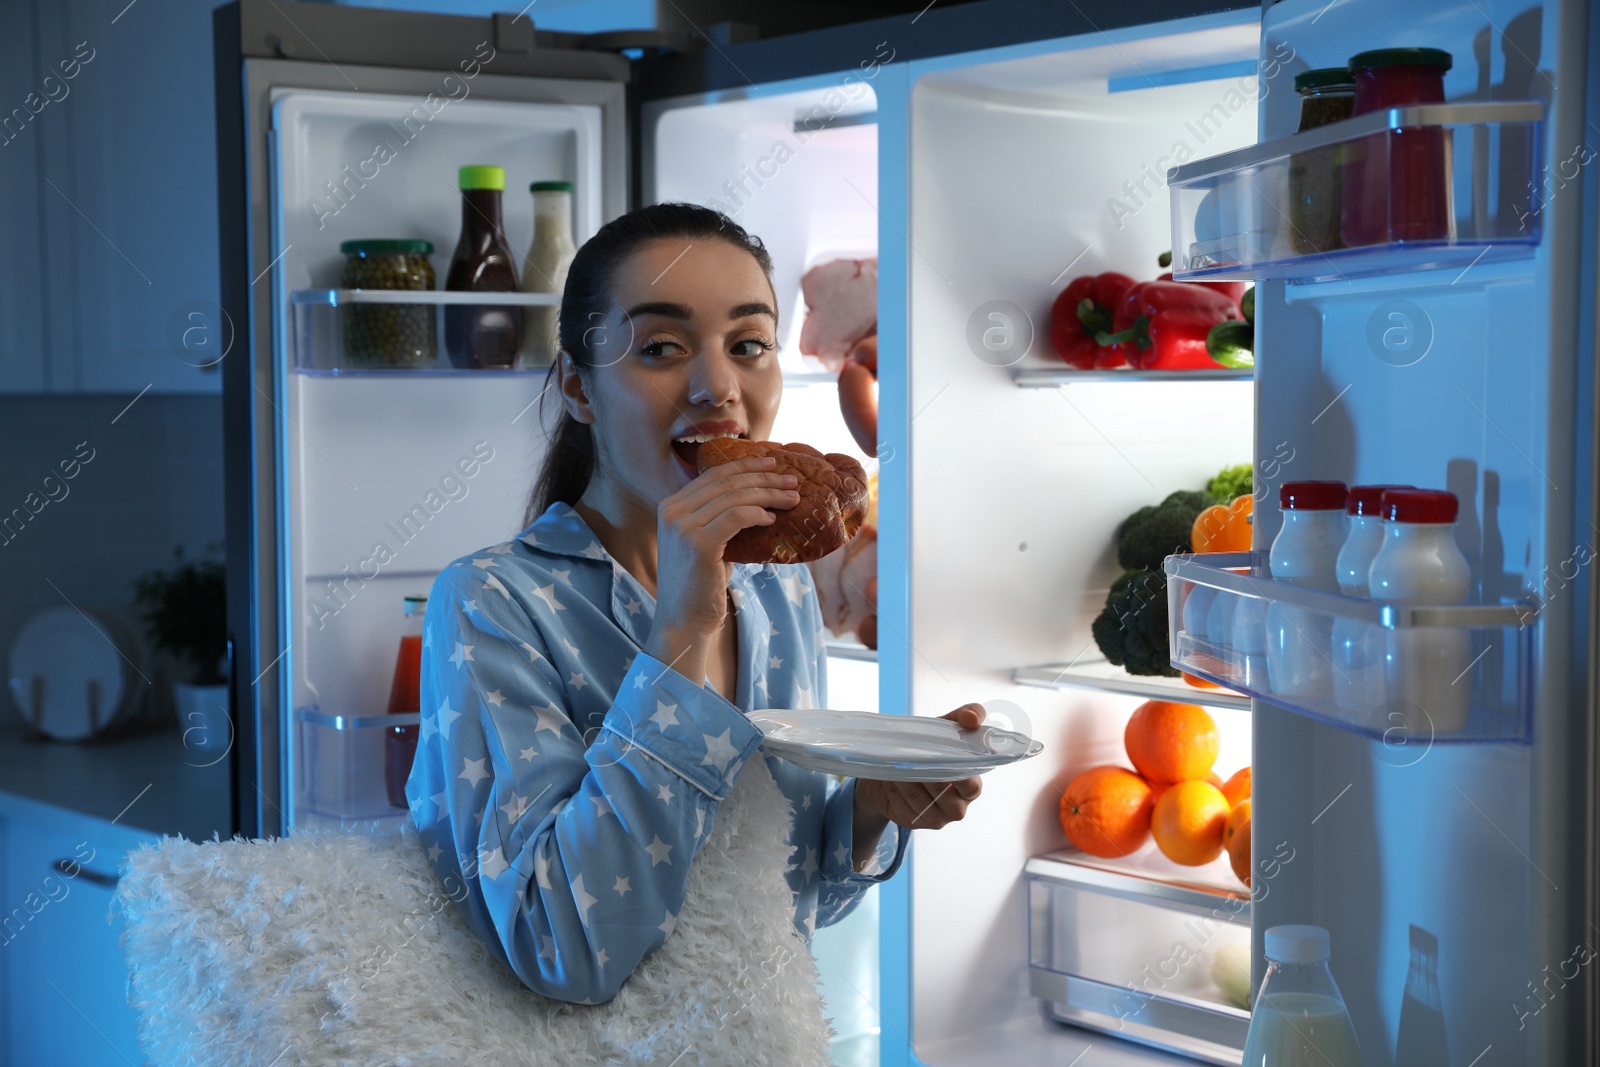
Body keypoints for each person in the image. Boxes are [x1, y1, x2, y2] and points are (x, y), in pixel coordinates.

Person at [406, 202, 985, 1005]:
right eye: (662, 349)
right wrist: (679, 631)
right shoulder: (493, 603)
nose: (718, 387)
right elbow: (562, 948)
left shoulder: (778, 585)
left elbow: (785, 909)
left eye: (749, 345)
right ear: (578, 384)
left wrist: (867, 814)